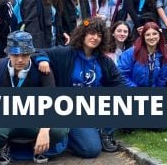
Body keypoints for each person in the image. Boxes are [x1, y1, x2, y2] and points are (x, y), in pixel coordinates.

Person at [0, 31, 69, 165]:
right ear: (8, 53)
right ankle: (3, 145)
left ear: (31, 53)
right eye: (15, 55)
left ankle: (36, 145)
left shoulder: (42, 70)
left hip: (34, 118)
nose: (20, 59)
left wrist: (44, 130)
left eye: (25, 55)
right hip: (5, 118)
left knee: (60, 130)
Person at [37, 18, 124, 157]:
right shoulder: (66, 54)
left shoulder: (104, 60)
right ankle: (66, 136)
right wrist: (43, 60)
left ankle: (102, 132)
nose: (95, 38)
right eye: (92, 33)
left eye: (99, 35)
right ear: (83, 33)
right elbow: (39, 51)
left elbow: (119, 83)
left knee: (92, 149)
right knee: (88, 149)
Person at [118, 21, 167, 87]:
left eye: (154, 34)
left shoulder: (163, 55)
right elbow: (122, 74)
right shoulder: (131, 53)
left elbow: (162, 80)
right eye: (147, 35)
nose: (151, 37)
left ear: (159, 36)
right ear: (143, 37)